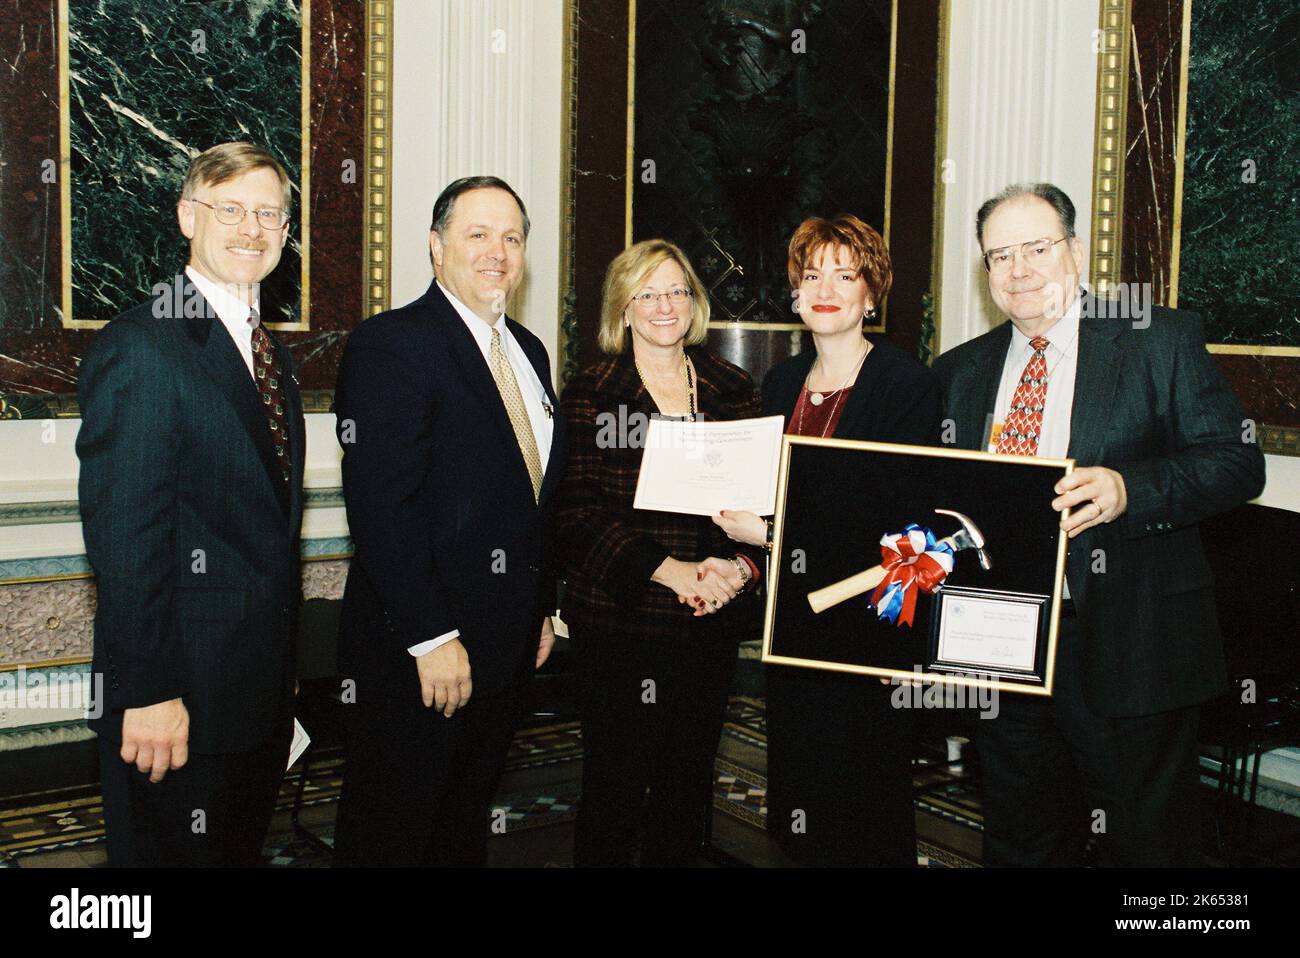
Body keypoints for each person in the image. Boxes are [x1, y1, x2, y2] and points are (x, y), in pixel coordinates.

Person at [931, 182, 1265, 866]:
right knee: (1021, 837)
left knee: (1149, 844)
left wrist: (1129, 488)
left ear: (1075, 250)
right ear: (985, 270)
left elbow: (1237, 462)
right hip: (1004, 645)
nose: (1019, 269)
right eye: (1000, 255)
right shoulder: (960, 373)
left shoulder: (1157, 339)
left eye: (1036, 247)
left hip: (1130, 639)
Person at [77, 141, 304, 866]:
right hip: (174, 702)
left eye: (269, 213)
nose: (251, 229)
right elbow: (125, 539)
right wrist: (146, 692)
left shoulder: (267, 350)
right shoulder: (144, 346)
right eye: (230, 209)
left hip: (251, 697)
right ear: (186, 217)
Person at [331, 176, 567, 867]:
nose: (498, 251)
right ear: (436, 248)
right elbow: (381, 507)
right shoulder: (391, 345)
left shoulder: (528, 350)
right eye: (478, 234)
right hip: (419, 655)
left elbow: (534, 497)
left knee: (461, 829)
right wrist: (431, 636)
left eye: (513, 237)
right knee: (393, 834)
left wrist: (543, 609)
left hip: (506, 649)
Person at [715, 215, 943, 865]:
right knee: (802, 801)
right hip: (794, 630)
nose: (826, 288)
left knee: (866, 804)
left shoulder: (907, 385)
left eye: (846, 275)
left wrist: (771, 532)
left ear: (873, 294)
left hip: (871, 628)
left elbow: (905, 528)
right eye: (811, 274)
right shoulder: (782, 386)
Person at [556, 238, 763, 867]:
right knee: (615, 782)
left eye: (676, 289)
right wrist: (671, 573)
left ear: (695, 302)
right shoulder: (593, 390)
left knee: (687, 776)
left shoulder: (733, 387)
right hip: (622, 619)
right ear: (622, 309)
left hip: (709, 617)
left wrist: (737, 569)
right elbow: (577, 513)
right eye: (646, 292)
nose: (663, 304)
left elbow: (759, 506)